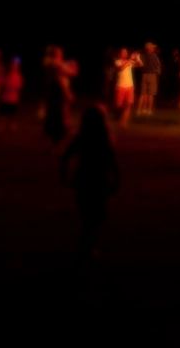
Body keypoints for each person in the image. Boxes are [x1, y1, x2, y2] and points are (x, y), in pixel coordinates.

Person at [60, 103, 120, 259]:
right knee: (96, 215)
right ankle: (89, 245)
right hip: (98, 180)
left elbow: (66, 156)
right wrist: (116, 180)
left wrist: (64, 175)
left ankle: (86, 244)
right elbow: (112, 162)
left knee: (87, 214)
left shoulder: (82, 137)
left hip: (83, 179)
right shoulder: (104, 139)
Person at [111, 47, 138, 125]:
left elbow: (140, 65)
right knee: (119, 105)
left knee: (129, 104)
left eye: (126, 52)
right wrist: (130, 60)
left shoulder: (129, 62)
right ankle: (119, 117)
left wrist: (137, 58)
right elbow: (121, 68)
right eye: (123, 52)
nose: (125, 53)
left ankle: (123, 122)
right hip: (120, 86)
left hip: (130, 86)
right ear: (120, 54)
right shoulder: (117, 61)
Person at [0, 56, 24, 129]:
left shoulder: (19, 76)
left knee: (12, 114)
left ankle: (12, 124)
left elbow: (19, 86)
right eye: (13, 65)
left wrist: (13, 88)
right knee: (3, 113)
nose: (14, 66)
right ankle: (1, 125)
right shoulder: (6, 74)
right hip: (5, 97)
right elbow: (1, 82)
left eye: (16, 66)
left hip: (13, 98)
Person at [138, 43, 161, 119]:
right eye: (152, 47)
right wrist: (158, 71)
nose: (154, 49)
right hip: (151, 75)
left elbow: (140, 64)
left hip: (144, 75)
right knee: (151, 93)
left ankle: (140, 110)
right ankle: (148, 110)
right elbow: (158, 65)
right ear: (150, 48)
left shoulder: (143, 56)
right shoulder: (154, 56)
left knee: (143, 93)